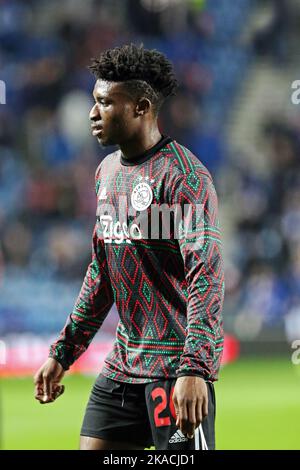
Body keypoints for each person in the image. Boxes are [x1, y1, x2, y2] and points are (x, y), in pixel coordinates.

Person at [34, 43, 224, 451]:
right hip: (122, 367)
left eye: (104, 102)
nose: (92, 112)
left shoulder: (185, 178)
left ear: (140, 107)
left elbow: (205, 277)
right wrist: (64, 353)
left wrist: (195, 370)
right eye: (94, 101)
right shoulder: (105, 173)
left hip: (175, 369)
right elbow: (101, 273)